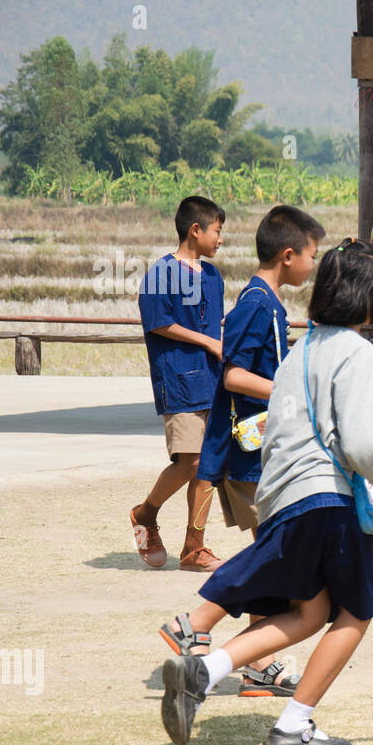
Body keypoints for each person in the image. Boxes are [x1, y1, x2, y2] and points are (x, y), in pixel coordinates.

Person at [159, 239, 373, 745]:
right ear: (366, 293)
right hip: (326, 502)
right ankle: (292, 725)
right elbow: (357, 446)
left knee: (310, 614)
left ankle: (204, 670)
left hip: (285, 498)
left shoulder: (301, 348)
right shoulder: (358, 352)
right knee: (357, 611)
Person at [161, 204, 325, 697]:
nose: (313, 266)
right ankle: (195, 623)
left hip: (261, 452)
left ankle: (259, 665)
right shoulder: (258, 303)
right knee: (273, 553)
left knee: (269, 552)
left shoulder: (267, 301)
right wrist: (287, 393)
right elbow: (232, 374)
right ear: (289, 255)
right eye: (312, 256)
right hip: (251, 454)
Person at [130, 195, 226, 573]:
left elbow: (215, 323)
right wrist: (207, 342)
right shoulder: (161, 273)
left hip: (213, 379)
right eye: (217, 231)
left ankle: (193, 547)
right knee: (191, 462)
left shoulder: (214, 276)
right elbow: (157, 322)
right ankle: (145, 513)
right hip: (179, 378)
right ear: (196, 230)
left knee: (208, 466)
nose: (220, 240)